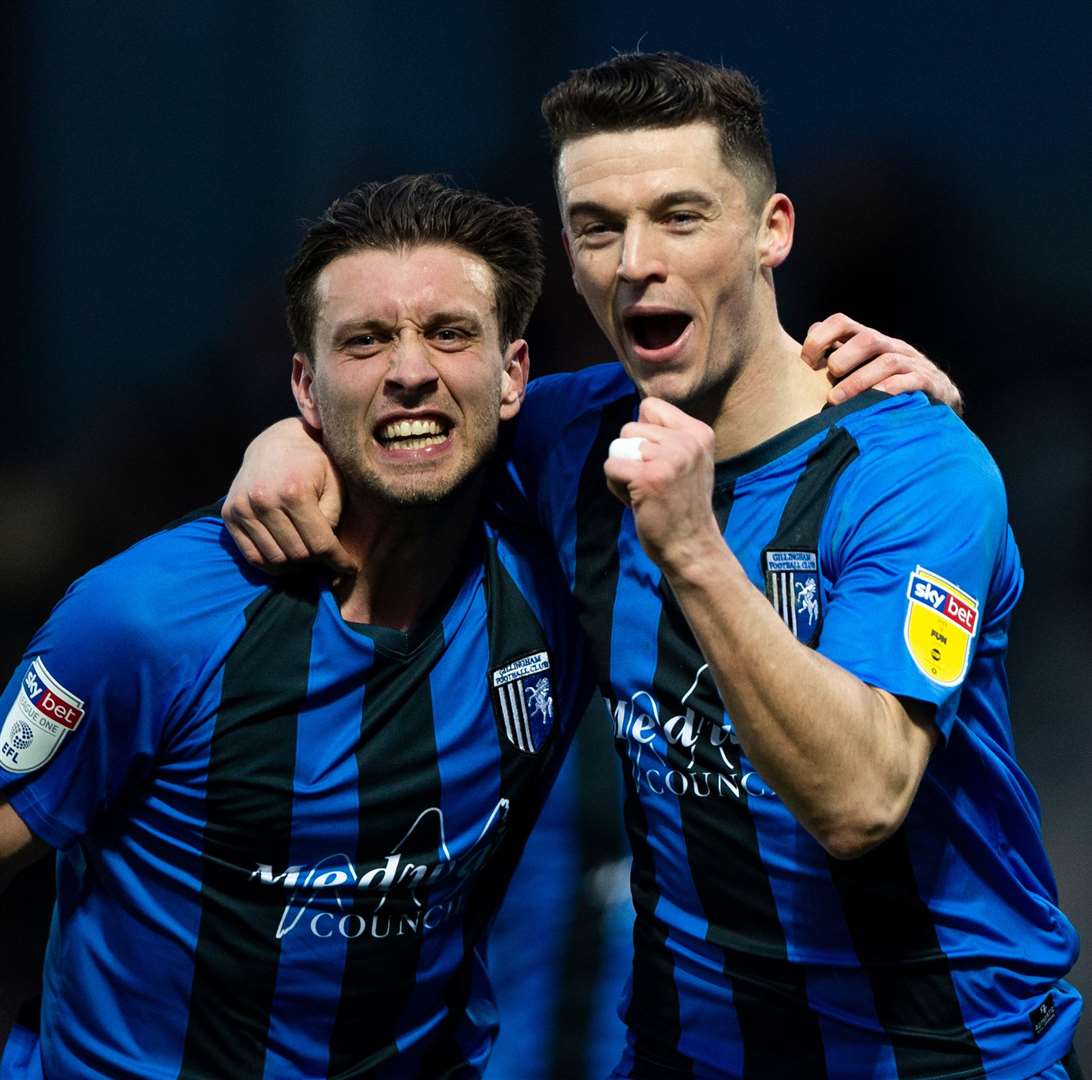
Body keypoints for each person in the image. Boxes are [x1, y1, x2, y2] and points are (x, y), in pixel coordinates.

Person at [223, 53, 1083, 1079]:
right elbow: (397, 425)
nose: (634, 260)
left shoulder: (916, 473)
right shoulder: (569, 438)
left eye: (680, 217)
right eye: (597, 226)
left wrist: (691, 548)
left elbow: (861, 798)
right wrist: (286, 445)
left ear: (773, 232)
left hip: (944, 1056)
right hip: (686, 1055)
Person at [0, 175, 598, 1079]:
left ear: (514, 373)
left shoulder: (557, 589)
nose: (410, 369)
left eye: (449, 333)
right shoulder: (147, 620)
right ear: (304, 389)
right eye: (365, 340)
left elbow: (748, 406)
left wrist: (878, 383)